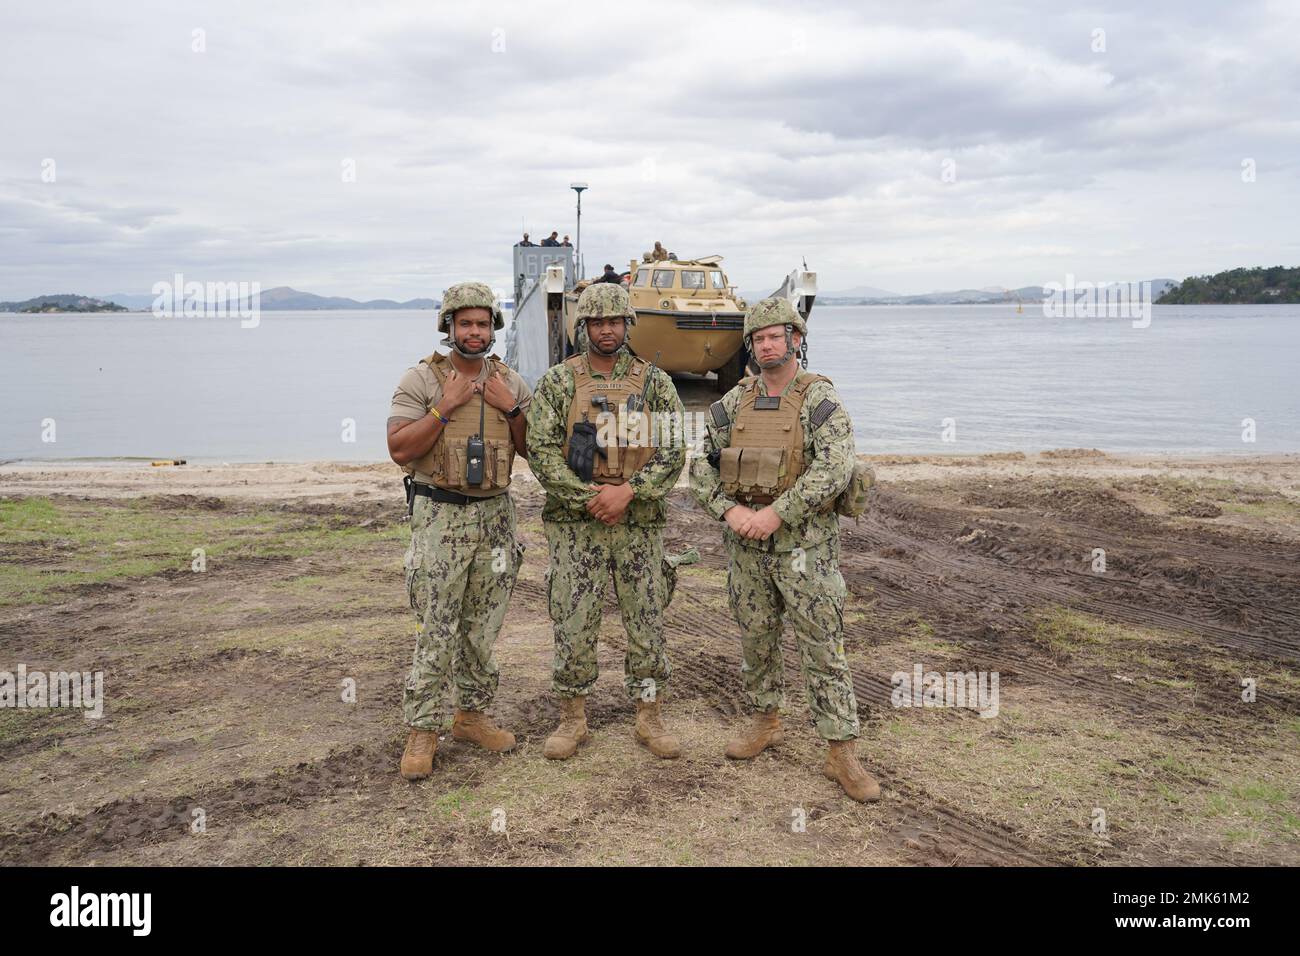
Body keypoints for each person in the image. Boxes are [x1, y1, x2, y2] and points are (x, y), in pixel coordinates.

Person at [688, 297, 880, 803]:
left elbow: (835, 468)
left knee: (823, 646)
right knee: (757, 638)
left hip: (804, 547)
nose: (767, 344)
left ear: (796, 340)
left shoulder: (820, 401)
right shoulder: (733, 403)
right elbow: (702, 464)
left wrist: (778, 512)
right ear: (750, 345)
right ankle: (765, 720)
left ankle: (841, 751)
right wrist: (730, 512)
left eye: (777, 335)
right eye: (759, 337)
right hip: (746, 546)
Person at [525, 283, 686, 761]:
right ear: (584, 327)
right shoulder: (559, 381)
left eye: (615, 321)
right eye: (598, 323)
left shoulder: (654, 382)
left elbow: (675, 447)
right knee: (574, 620)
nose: (607, 330)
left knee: (647, 620)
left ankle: (649, 715)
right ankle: (572, 717)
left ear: (627, 324)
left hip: (639, 523)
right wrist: (591, 497)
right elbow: (541, 451)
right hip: (578, 525)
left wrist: (629, 492)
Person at [387, 282, 533, 781]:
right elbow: (401, 449)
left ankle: (471, 714)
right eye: (465, 323)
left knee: (484, 622)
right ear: (449, 326)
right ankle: (423, 728)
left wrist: (510, 408)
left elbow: (535, 449)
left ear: (494, 328)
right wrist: (443, 407)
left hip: (495, 516)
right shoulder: (421, 380)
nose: (475, 332)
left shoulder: (511, 381)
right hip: (440, 516)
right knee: (437, 623)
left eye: (483, 323)